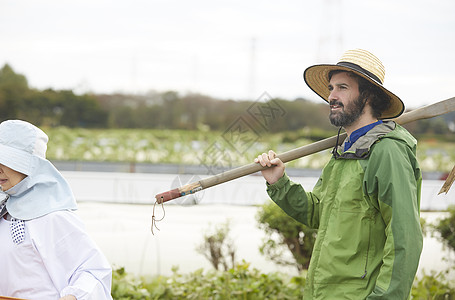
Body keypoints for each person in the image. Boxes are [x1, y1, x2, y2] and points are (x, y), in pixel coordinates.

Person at [255, 49, 423, 299]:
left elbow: (405, 238)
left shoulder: (387, 151)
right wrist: (280, 183)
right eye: (331, 88)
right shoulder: (345, 151)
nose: (331, 96)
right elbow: (318, 214)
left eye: (342, 87)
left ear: (367, 95)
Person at [0, 120, 113, 299]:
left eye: (7, 160)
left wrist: (73, 296)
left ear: (31, 166)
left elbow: (93, 271)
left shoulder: (53, 216)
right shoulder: (3, 210)